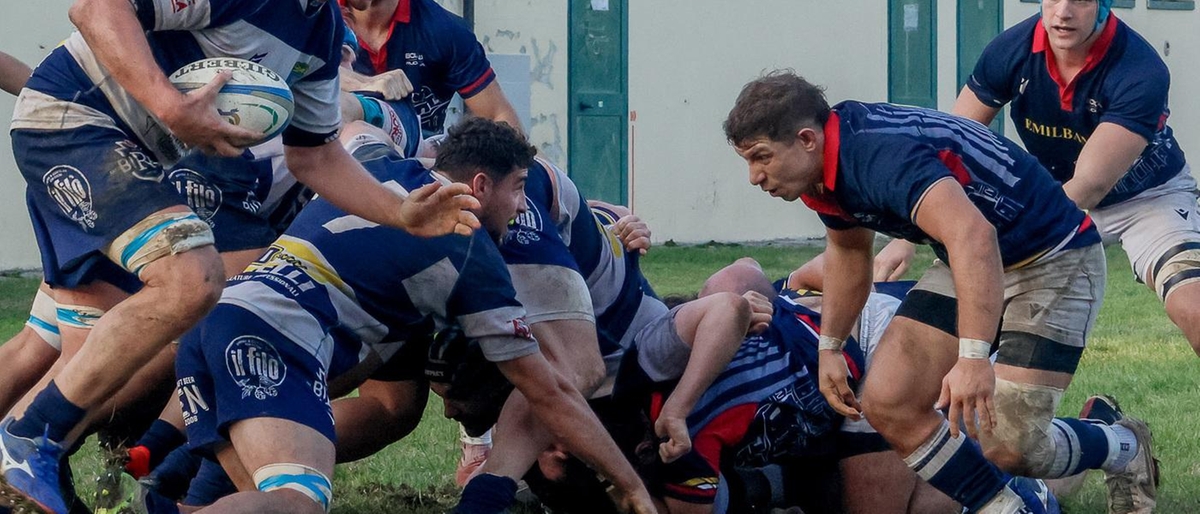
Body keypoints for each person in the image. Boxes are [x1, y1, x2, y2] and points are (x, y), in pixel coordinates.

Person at [0, 0, 480, 511]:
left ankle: (31, 470)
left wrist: (400, 211)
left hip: (146, 158)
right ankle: (27, 441)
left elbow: (314, 155)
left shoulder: (318, 33)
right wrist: (169, 105)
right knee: (194, 280)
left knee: (90, 345)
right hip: (76, 121)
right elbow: (96, 9)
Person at [162, 118, 655, 514]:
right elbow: (550, 389)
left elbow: (354, 132)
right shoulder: (468, 250)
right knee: (297, 503)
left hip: (216, 321)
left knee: (252, 497)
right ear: (480, 185)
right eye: (518, 188)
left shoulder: (379, 170)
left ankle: (158, 482)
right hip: (272, 338)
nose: (523, 205)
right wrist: (630, 487)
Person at [723, 71, 1156, 514]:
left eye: (761, 158)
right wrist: (830, 346)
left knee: (1010, 446)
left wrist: (972, 358)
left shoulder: (874, 155)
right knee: (888, 403)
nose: (756, 177)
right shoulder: (822, 169)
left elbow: (974, 236)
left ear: (806, 139)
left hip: (1053, 257)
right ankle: (1005, 509)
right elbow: (849, 252)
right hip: (971, 256)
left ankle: (1122, 443)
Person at [339, 0, 521, 135]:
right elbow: (310, 77)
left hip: (422, 164)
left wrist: (545, 173)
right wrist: (363, 83)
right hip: (335, 160)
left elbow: (500, 116)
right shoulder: (318, 17)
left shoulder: (445, 30)